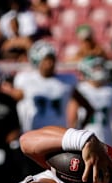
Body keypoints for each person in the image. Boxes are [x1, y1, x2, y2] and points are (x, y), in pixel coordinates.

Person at [9, 40, 95, 174]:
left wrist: (77, 129)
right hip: (33, 136)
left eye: (52, 59)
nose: (50, 63)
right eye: (46, 60)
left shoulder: (67, 80)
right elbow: (12, 103)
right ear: (37, 61)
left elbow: (88, 107)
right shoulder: (25, 80)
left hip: (58, 138)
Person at [67, 56, 112, 149]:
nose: (100, 70)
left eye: (101, 67)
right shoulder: (80, 90)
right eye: (96, 67)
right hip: (85, 138)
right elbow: (72, 119)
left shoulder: (110, 90)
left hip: (107, 137)